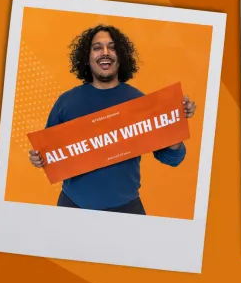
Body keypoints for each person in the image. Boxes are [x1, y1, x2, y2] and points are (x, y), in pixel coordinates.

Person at [28, 24, 196, 215]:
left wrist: (175, 122)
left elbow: (172, 159)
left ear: (121, 56)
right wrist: (39, 158)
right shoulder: (66, 102)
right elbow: (48, 154)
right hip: (72, 206)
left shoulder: (140, 102)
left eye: (112, 47)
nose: (105, 52)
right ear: (87, 57)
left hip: (127, 209)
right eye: (97, 47)